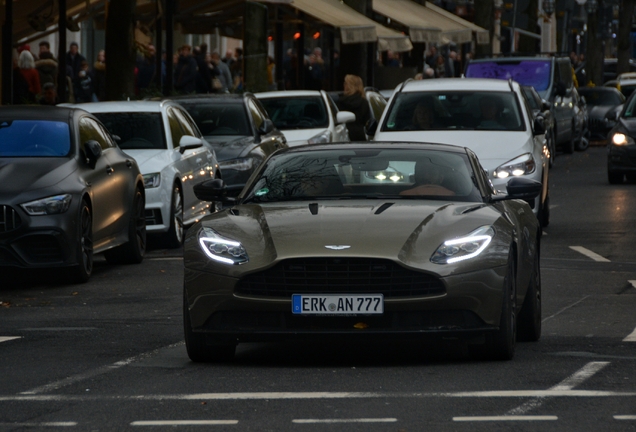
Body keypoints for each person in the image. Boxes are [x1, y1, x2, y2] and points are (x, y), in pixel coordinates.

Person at [336, 74, 371, 141]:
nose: (344, 85)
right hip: (360, 136)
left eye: (345, 83)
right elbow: (367, 121)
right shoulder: (364, 102)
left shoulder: (341, 102)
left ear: (348, 86)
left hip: (343, 135)